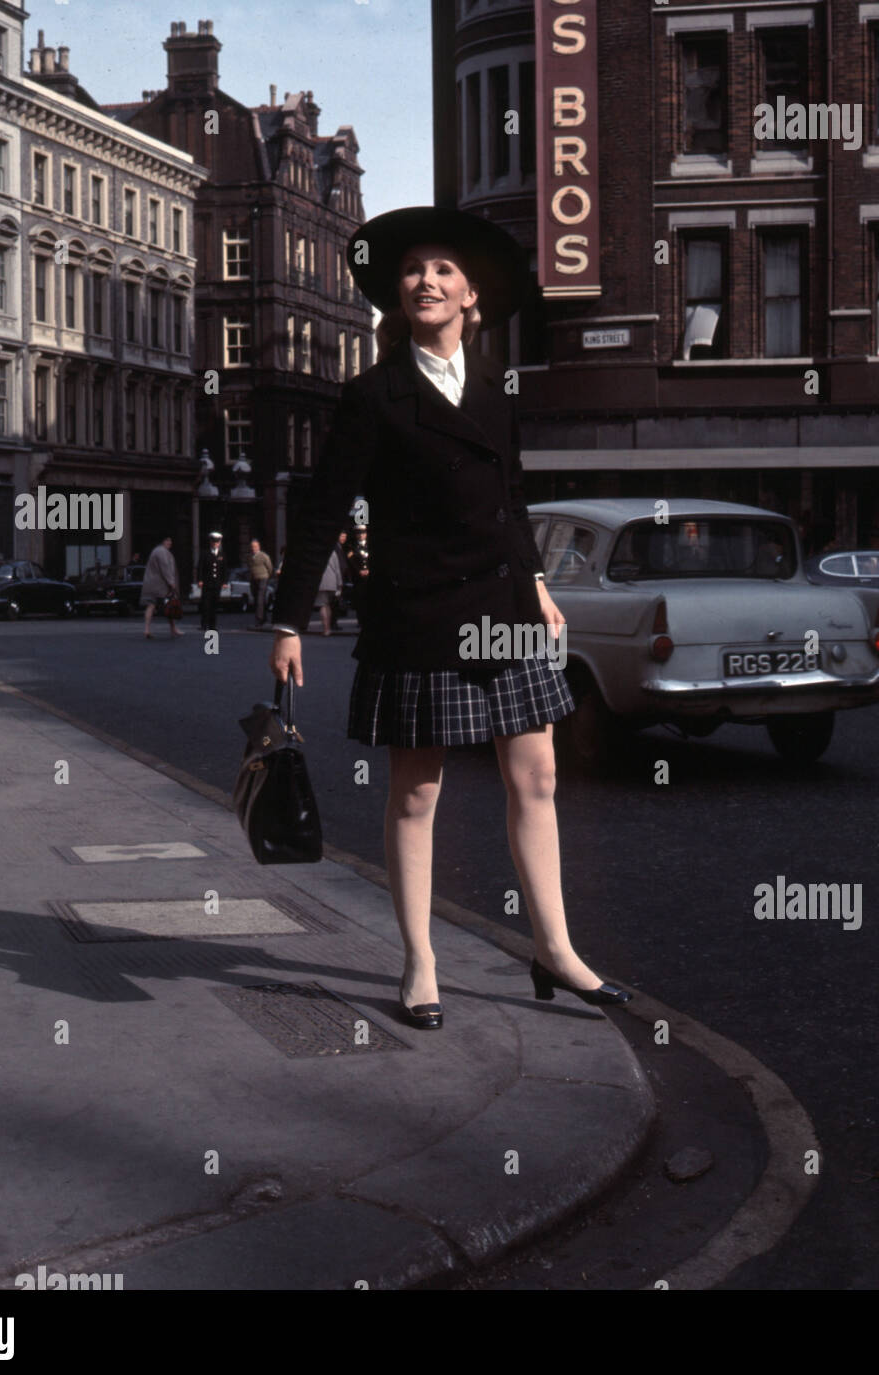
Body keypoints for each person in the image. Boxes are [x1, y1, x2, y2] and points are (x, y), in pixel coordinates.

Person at [268, 205, 631, 1030]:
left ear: (472, 294)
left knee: (536, 777)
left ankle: (556, 950)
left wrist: (536, 580)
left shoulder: (499, 388)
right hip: (419, 611)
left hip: (503, 604)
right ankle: (420, 962)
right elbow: (323, 512)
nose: (424, 281)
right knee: (416, 792)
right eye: (411, 272)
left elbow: (511, 497)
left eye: (441, 271)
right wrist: (289, 620)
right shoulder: (373, 395)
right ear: (398, 298)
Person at [140, 536, 183, 639]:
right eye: (168, 540)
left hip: (151, 584)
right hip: (160, 585)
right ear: (163, 541)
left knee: (151, 605)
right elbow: (166, 569)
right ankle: (173, 629)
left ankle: (146, 629)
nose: (170, 542)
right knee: (169, 605)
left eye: (170, 540)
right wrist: (172, 583)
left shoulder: (156, 551)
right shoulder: (162, 552)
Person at [198, 531, 226, 632]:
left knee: (214, 605)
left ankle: (212, 625)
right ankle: (204, 624)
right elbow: (200, 567)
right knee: (206, 604)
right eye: (213, 542)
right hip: (207, 582)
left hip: (217, 583)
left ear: (219, 543)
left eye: (217, 542)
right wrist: (200, 580)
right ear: (210, 542)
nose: (215, 544)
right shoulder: (205, 553)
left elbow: (224, 569)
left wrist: (224, 582)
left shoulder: (221, 554)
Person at [313, 546, 342, 636]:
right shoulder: (333, 553)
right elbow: (337, 569)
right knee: (328, 605)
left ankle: (326, 629)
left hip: (320, 581)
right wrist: (339, 583)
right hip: (332, 581)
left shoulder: (315, 553)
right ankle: (328, 627)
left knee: (322, 605)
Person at [247, 540, 273, 628]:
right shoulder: (249, 557)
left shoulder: (263, 556)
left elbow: (269, 567)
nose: (253, 548)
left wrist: (267, 575)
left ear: (258, 547)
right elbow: (249, 568)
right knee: (257, 599)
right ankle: (264, 617)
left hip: (263, 578)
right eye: (251, 546)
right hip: (253, 579)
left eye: (255, 546)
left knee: (260, 599)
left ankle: (259, 620)